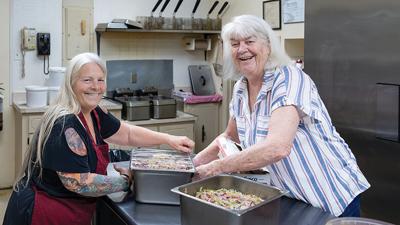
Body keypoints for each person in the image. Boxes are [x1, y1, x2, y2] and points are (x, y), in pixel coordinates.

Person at [193, 15, 370, 217]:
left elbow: (277, 148)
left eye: (250, 41)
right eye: (234, 44)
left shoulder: (288, 79)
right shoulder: (241, 89)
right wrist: (193, 166)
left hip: (330, 194)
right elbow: (230, 138)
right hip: (293, 197)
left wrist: (216, 168)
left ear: (268, 46)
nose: (242, 49)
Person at [2, 52, 194, 225]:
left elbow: (126, 133)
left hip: (71, 211)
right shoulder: (65, 125)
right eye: (87, 80)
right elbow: (81, 183)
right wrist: (126, 180)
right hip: (45, 213)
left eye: (100, 80)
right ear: (71, 83)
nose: (95, 87)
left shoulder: (93, 113)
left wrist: (169, 139)